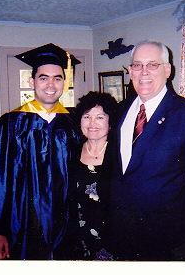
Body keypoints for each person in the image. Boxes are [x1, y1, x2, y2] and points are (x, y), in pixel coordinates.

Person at [103, 40, 185, 260]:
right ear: (130, 72)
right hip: (121, 236)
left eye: (153, 65)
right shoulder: (121, 110)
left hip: (166, 242)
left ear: (168, 70)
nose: (143, 72)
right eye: (137, 65)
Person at [0, 43, 81, 260]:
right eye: (43, 77)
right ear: (32, 81)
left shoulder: (72, 124)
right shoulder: (11, 124)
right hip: (24, 221)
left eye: (57, 78)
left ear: (65, 82)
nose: (51, 84)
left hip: (65, 223)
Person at [66, 91, 118, 260]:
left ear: (110, 122)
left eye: (100, 117)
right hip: (77, 238)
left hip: (112, 239)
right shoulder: (71, 151)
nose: (92, 123)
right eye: (87, 117)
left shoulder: (120, 154)